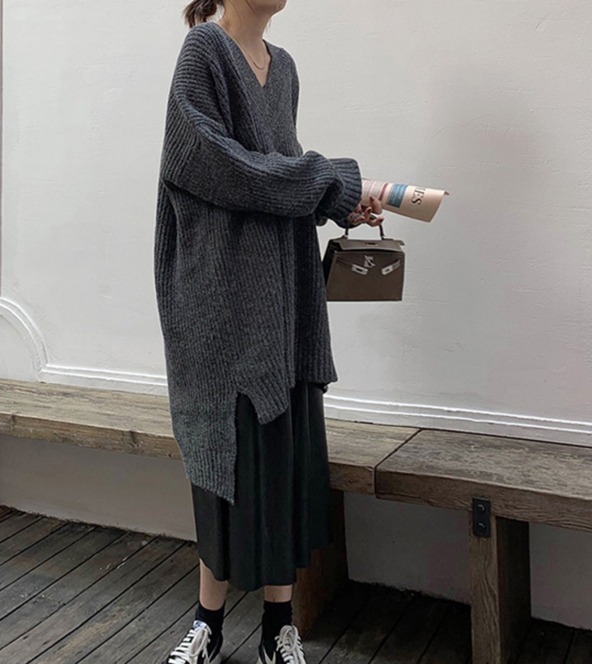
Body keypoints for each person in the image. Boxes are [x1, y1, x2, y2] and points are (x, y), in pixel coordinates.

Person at [154, 1, 383, 662]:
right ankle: (207, 624)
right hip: (221, 305)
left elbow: (274, 178)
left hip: (283, 300)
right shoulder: (203, 51)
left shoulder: (284, 70)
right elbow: (212, 165)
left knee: (280, 461)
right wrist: (330, 179)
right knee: (221, 460)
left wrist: (341, 203)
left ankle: (279, 628)